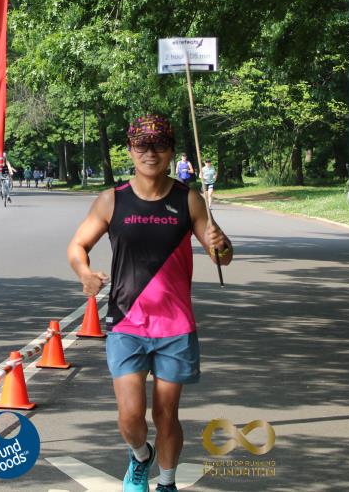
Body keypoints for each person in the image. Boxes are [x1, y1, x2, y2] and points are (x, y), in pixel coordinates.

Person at [66, 114, 233, 492]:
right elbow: (77, 245)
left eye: (159, 145)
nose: (150, 152)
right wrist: (84, 273)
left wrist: (221, 245)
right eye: (141, 144)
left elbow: (222, 258)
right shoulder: (112, 200)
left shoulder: (188, 199)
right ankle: (141, 455)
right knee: (130, 416)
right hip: (127, 323)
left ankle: (167, 483)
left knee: (166, 413)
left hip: (175, 325)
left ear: (171, 151)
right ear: (130, 149)